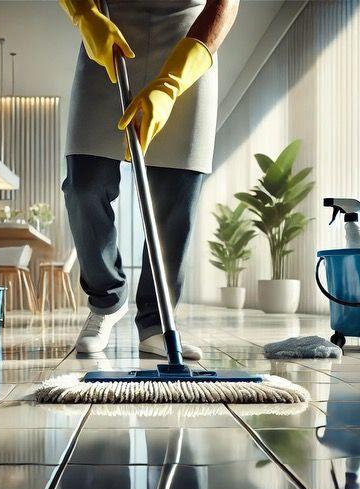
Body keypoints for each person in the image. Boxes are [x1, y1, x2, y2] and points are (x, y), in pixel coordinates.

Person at [59, 0, 239, 360]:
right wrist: (85, 14)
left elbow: (225, 4)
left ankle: (157, 322)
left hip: (188, 45)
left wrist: (170, 84)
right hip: (110, 43)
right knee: (84, 187)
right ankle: (106, 301)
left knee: (176, 200)